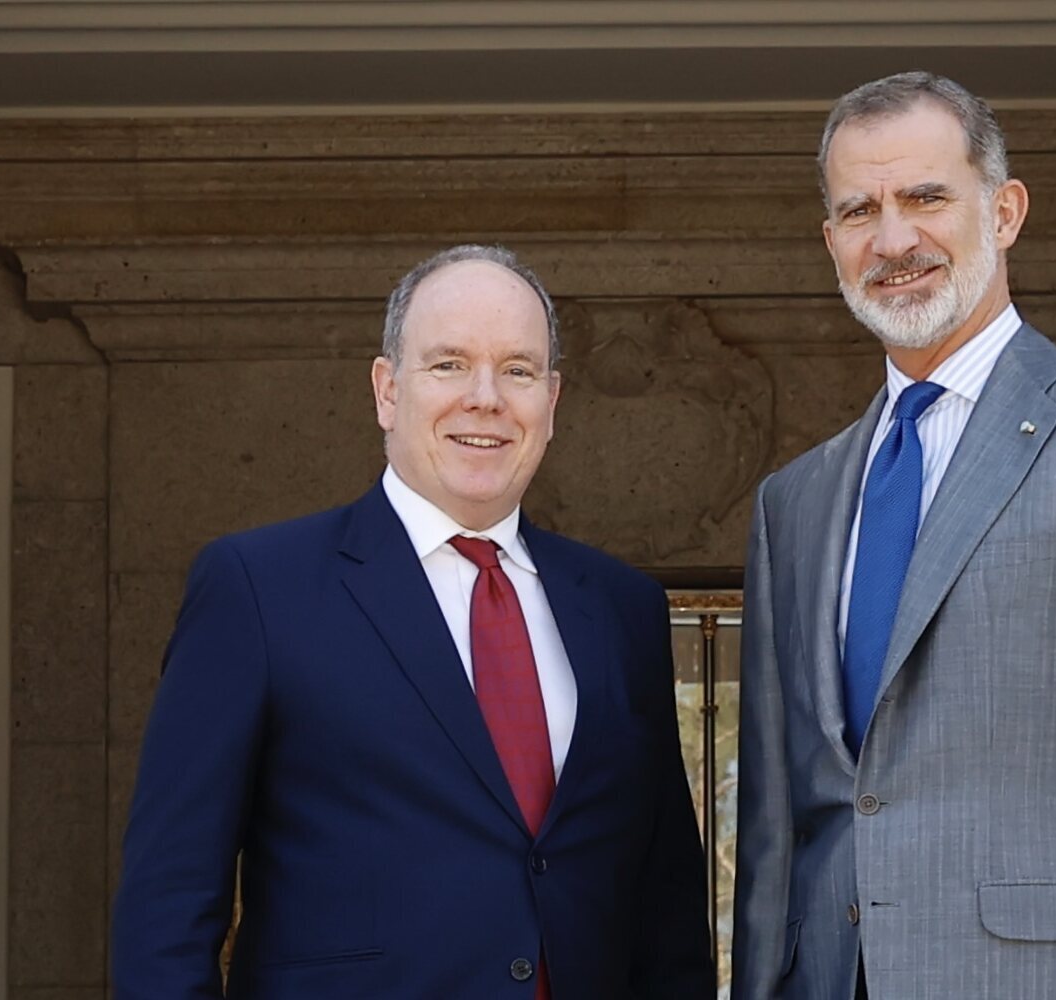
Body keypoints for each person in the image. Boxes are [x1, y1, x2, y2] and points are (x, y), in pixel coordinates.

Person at [730, 71, 1056, 1000]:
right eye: (860, 210)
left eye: (926, 197)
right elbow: (779, 839)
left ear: (1006, 211)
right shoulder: (797, 500)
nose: (893, 239)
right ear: (831, 242)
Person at [112, 244, 713, 999]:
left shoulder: (621, 609)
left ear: (552, 403)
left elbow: (668, 917)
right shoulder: (258, 590)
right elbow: (168, 904)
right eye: (449, 365)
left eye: (518, 370)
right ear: (387, 390)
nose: (486, 397)